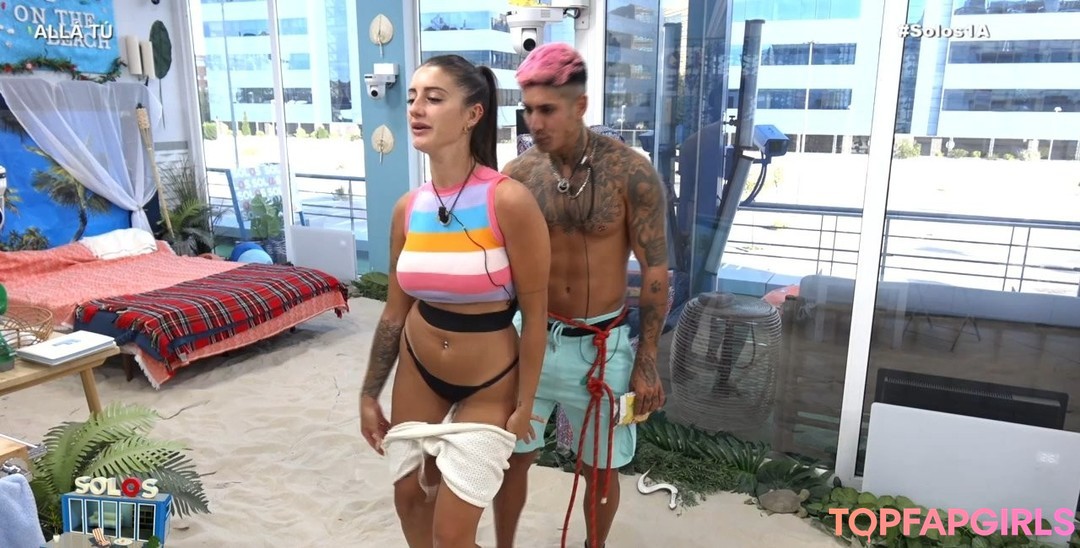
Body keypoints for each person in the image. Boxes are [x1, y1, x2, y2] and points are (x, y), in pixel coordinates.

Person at [358, 54, 551, 548]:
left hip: (491, 380)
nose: (416, 108)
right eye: (412, 98)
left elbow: (536, 317)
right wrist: (368, 393)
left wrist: (526, 403)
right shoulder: (408, 208)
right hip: (418, 368)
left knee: (451, 534)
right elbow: (394, 312)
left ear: (472, 115)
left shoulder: (508, 200)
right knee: (409, 500)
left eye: (434, 98)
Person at [493, 43, 670, 548]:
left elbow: (655, 272)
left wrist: (647, 360)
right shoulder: (518, 175)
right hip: (532, 338)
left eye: (547, 109)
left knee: (600, 468)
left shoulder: (631, 173)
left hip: (602, 346)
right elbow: (496, 267)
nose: (535, 122)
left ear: (580, 106)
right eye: (528, 110)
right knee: (511, 457)